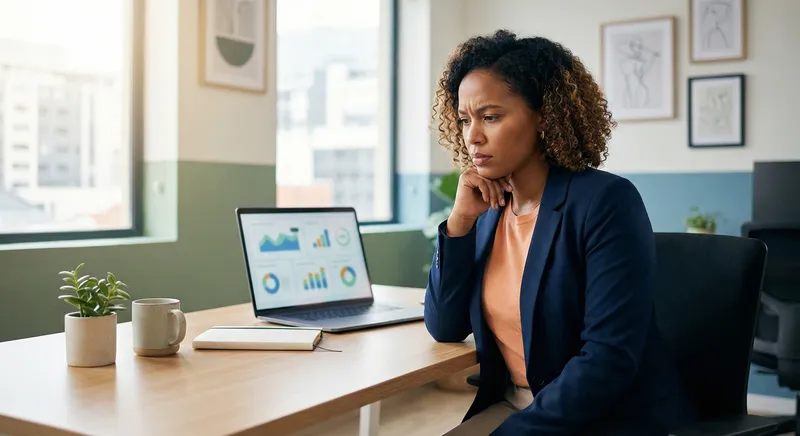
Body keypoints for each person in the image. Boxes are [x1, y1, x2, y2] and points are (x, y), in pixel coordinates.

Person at [424, 30, 696, 435]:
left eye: (491, 117)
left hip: (601, 420)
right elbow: (446, 326)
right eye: (465, 120)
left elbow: (607, 360)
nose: (472, 135)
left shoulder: (605, 202)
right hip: (514, 405)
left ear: (544, 116)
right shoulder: (488, 211)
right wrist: (459, 224)